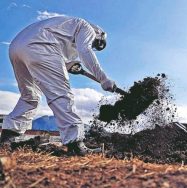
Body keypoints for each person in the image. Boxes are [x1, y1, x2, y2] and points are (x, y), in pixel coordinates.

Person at [0, 16, 117, 155]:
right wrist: (103, 78)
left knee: (30, 96)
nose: (93, 46)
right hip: (41, 46)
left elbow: (59, 51)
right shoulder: (86, 27)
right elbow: (85, 50)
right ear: (99, 34)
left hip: (16, 47)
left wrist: (70, 65)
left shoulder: (66, 26)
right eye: (95, 44)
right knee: (62, 94)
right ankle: (75, 144)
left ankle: (9, 137)